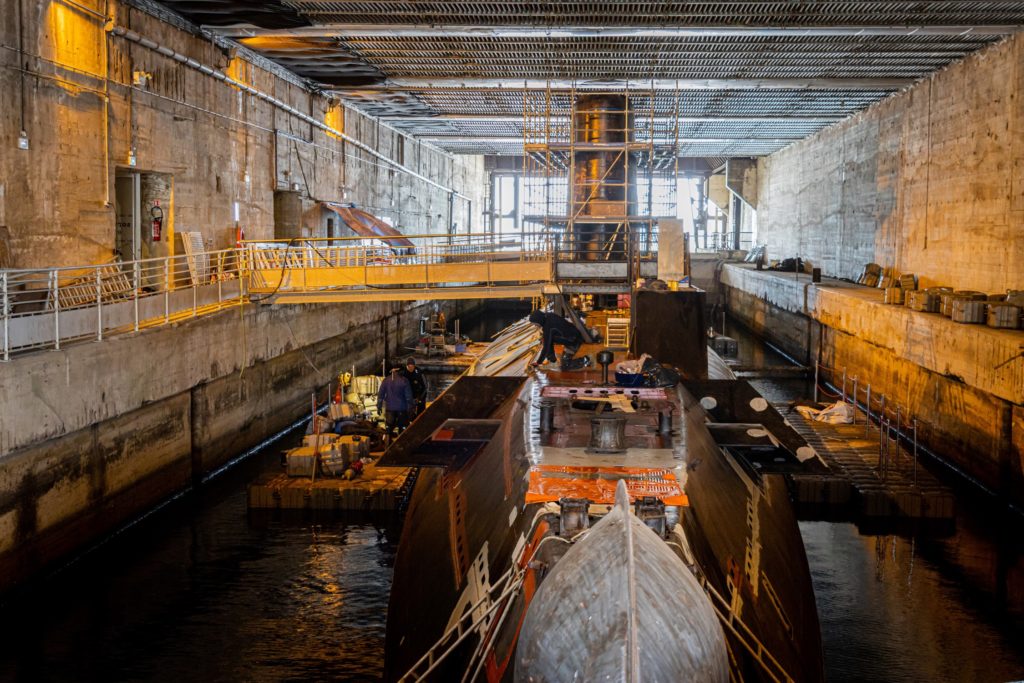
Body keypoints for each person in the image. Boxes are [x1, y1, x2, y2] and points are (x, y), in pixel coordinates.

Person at [377, 366, 413, 439]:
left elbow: (381, 394)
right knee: (403, 428)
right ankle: (402, 445)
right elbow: (409, 397)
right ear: (399, 371)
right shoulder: (404, 380)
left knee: (388, 429)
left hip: (390, 408)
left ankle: (387, 445)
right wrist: (410, 408)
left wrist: (379, 406)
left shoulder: (386, 380)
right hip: (402, 409)